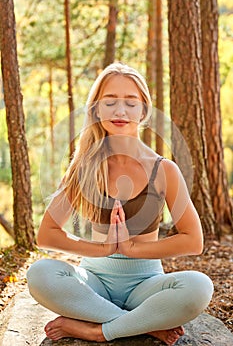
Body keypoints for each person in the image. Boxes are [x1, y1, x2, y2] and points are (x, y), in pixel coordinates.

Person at [27, 62, 213, 346]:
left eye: (130, 102)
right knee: (39, 273)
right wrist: (100, 249)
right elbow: (47, 234)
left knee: (199, 286)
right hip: (93, 282)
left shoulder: (164, 170)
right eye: (110, 102)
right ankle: (144, 325)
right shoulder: (84, 167)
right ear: (96, 109)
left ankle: (95, 329)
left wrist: (132, 248)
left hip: (145, 285)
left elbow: (193, 240)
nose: (120, 111)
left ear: (143, 110)